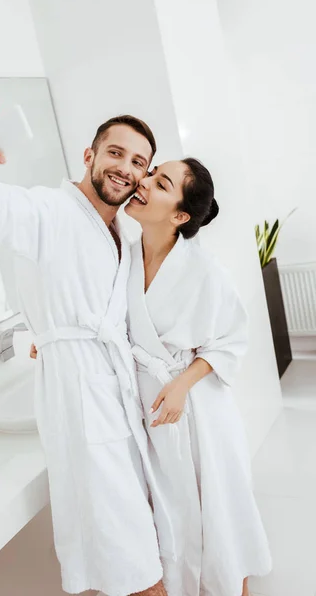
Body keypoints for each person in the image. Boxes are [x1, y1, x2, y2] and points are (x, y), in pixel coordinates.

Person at [0, 100, 169, 596]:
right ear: (90, 154)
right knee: (131, 558)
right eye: (116, 153)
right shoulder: (49, 211)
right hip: (81, 402)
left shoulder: (124, 230)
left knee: (122, 543)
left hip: (118, 396)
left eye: (138, 162)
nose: (125, 168)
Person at [124, 159, 272, 596]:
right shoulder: (124, 257)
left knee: (219, 507)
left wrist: (182, 385)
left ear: (180, 216)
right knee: (174, 509)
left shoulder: (203, 269)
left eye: (160, 181)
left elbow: (230, 339)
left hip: (197, 407)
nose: (143, 181)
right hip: (150, 405)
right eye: (150, 173)